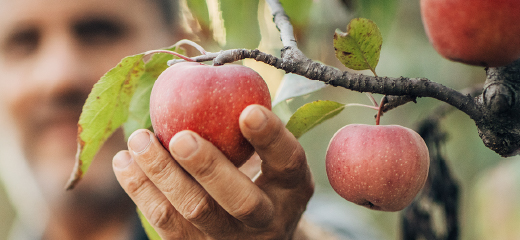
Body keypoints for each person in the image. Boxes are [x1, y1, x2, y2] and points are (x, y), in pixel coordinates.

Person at [0, 0, 318, 239]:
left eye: (98, 32)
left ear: (180, 49)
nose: (60, 77)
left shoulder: (309, 220)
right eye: (23, 42)